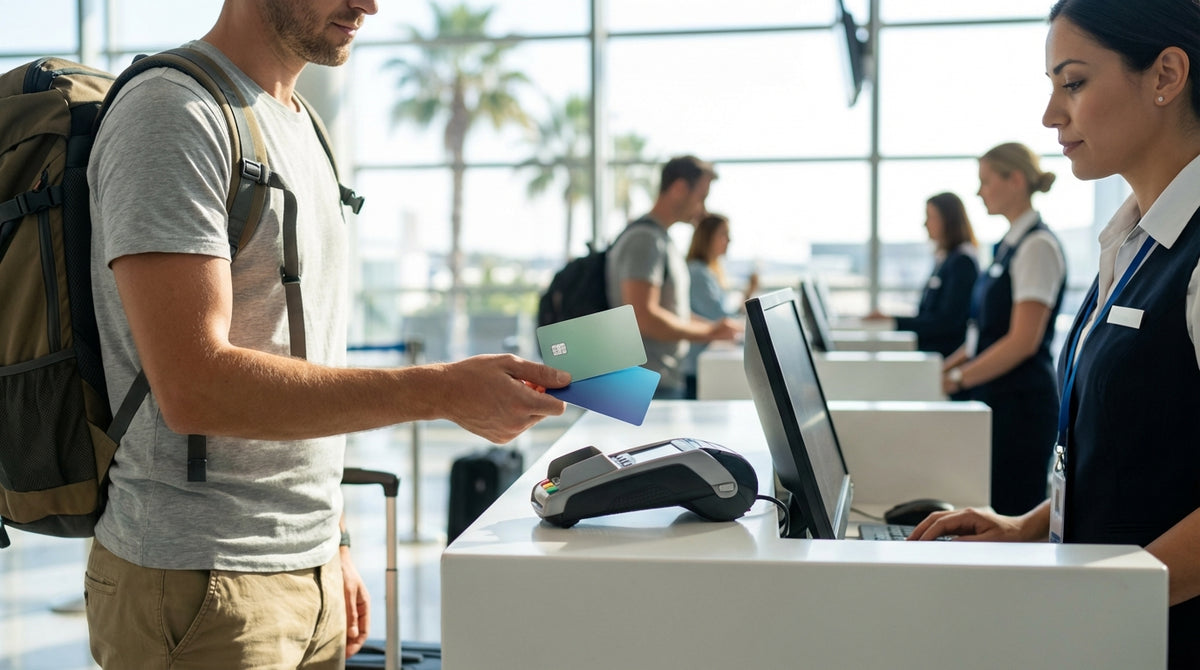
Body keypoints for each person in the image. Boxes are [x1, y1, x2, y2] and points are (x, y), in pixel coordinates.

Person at [83, 1, 570, 668]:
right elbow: (195, 387)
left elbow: (302, 352)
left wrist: (332, 541)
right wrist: (440, 391)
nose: (370, 4)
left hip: (306, 572)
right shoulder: (173, 112)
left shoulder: (304, 124)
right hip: (200, 581)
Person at [913, 1, 1200, 665]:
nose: (1050, 116)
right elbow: (1127, 451)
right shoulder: (1132, 243)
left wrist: (1112, 599)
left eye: (1072, 83)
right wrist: (1030, 526)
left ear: (1165, 75)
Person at [939, 142, 1067, 515]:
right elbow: (982, 332)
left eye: (986, 181)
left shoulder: (1037, 247)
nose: (979, 193)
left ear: (1015, 180)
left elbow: (1022, 341)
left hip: (1021, 408)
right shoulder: (1007, 247)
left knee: (1010, 515)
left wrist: (960, 378)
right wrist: (941, 372)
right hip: (998, 400)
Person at [606, 156, 742, 399]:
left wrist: (713, 328)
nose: (703, 209)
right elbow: (643, 317)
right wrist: (708, 334)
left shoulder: (661, 240)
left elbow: (671, 312)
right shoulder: (645, 240)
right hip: (647, 387)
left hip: (660, 380)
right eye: (701, 197)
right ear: (679, 189)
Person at [865, 192, 980, 364]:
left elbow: (946, 323)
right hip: (930, 356)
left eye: (931, 217)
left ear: (948, 220)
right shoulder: (944, 260)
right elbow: (930, 314)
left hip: (943, 360)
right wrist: (891, 319)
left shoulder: (962, 262)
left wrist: (894, 321)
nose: (925, 224)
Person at [682, 213, 760, 398]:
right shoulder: (698, 273)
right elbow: (722, 319)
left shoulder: (709, 271)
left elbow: (722, 317)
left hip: (707, 359)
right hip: (698, 366)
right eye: (724, 234)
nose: (729, 240)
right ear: (707, 238)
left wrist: (748, 293)